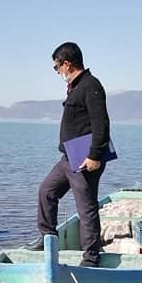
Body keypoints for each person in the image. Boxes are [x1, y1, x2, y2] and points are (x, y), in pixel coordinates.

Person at [26, 41, 110, 267]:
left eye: (57, 67)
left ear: (67, 63)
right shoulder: (75, 86)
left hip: (85, 160)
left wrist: (94, 156)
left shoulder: (91, 86)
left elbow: (101, 124)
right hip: (68, 158)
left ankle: (91, 257)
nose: (57, 72)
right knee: (47, 191)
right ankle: (47, 239)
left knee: (86, 207)